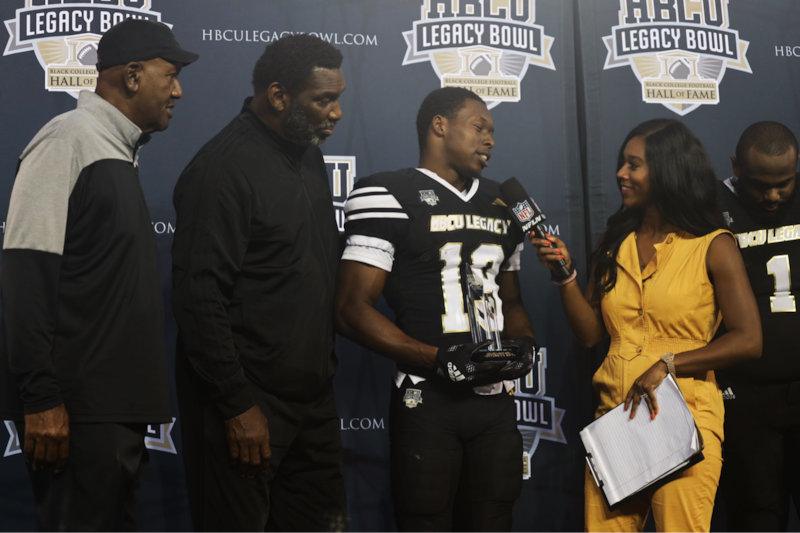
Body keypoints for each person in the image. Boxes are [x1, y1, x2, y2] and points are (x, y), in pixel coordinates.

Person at [0, 18, 197, 532]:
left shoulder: (114, 149)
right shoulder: (68, 140)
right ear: (132, 76)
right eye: (169, 74)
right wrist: (41, 398)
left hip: (107, 411)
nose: (177, 90)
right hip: (77, 413)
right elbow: (26, 274)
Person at [531, 119, 762, 532]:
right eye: (622, 163)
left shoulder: (713, 244)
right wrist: (564, 275)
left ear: (668, 170)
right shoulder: (613, 242)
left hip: (684, 418)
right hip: (617, 421)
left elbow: (749, 340)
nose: (621, 173)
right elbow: (589, 334)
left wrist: (668, 363)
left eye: (634, 165)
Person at [334, 87, 537, 533]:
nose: (490, 140)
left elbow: (513, 301)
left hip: (494, 403)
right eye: (479, 126)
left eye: (493, 131)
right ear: (440, 126)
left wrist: (523, 345)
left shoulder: (504, 205)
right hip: (426, 398)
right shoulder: (387, 192)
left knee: (495, 520)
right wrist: (438, 359)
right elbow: (351, 310)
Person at [171, 35, 347, 533]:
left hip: (313, 402)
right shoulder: (222, 169)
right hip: (246, 407)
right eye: (323, 100)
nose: (336, 113)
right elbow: (199, 298)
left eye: (338, 98)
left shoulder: (307, 154)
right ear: (278, 95)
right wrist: (236, 404)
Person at [715, 121, 800, 533]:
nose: (772, 196)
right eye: (759, 185)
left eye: (784, 183)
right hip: (743, 396)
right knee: (755, 516)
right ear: (735, 166)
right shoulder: (706, 206)